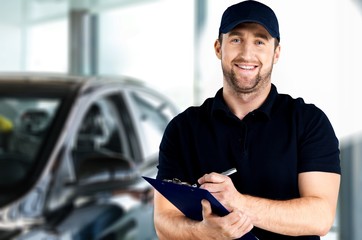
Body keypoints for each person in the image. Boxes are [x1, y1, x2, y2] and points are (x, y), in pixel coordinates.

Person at [153, 0, 341, 239]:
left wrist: (238, 202)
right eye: (236, 39)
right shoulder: (183, 129)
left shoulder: (308, 122)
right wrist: (202, 232)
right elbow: (163, 221)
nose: (247, 53)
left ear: (276, 52)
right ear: (218, 48)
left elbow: (320, 217)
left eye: (260, 41)